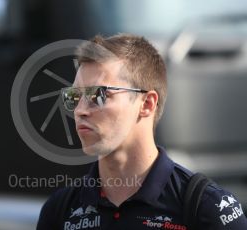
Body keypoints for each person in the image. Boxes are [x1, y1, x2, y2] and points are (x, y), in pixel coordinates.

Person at [36, 34, 247, 229]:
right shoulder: (60, 210)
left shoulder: (207, 207)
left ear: (146, 104)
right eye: (73, 97)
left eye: (97, 95)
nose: (80, 110)